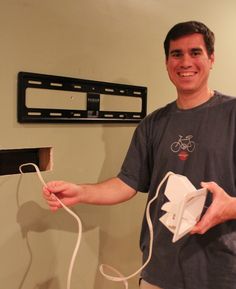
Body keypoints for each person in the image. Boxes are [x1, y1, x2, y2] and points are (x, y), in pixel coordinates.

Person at [43, 21, 236, 289]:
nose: (185, 62)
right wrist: (80, 192)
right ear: (167, 61)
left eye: (195, 52)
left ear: (211, 58)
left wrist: (231, 207)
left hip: (221, 274)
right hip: (158, 272)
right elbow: (127, 183)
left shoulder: (231, 115)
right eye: (176, 54)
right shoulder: (153, 124)